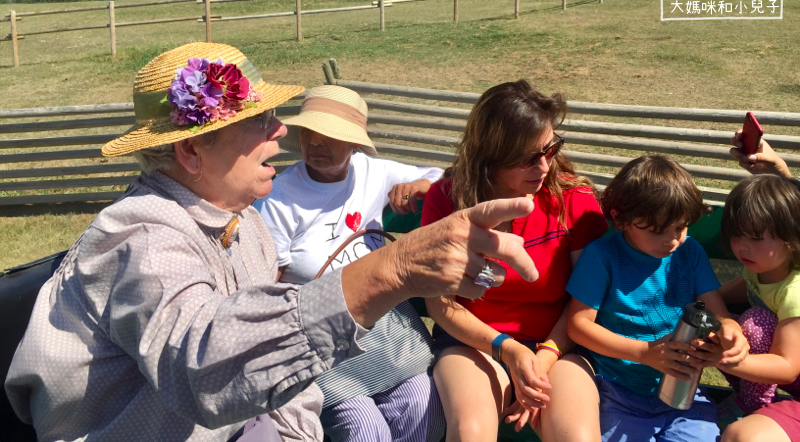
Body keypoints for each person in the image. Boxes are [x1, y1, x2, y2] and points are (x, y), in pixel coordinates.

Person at [4, 43, 540, 442]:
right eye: (259, 119)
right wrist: (391, 269)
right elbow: (207, 372)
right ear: (192, 152)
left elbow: (287, 384)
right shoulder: (141, 233)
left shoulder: (247, 227)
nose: (282, 131)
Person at [420, 80, 610, 441]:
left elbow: (584, 302)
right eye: (526, 157)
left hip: (558, 345)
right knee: (470, 431)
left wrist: (541, 362)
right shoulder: (448, 199)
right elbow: (440, 305)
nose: (543, 166)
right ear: (490, 154)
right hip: (473, 341)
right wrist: (508, 351)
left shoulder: (573, 199)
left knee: (577, 435)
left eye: (550, 148)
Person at [254, 84, 445, 442]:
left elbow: (438, 176)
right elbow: (266, 284)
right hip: (324, 336)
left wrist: (418, 184)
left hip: (389, 328)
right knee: (365, 432)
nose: (315, 144)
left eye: (329, 135)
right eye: (309, 132)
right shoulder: (280, 198)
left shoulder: (372, 172)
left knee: (426, 412)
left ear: (355, 143)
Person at [566, 155, 749, 442]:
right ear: (620, 218)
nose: (672, 239)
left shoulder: (690, 253)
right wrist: (643, 353)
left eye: (681, 226)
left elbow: (718, 313)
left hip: (684, 392)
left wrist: (731, 330)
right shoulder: (602, 257)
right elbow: (578, 325)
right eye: (657, 231)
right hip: (618, 391)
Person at [716, 175, 800, 442]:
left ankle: (751, 404)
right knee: (719, 325)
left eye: (754, 237)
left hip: (788, 370)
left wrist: (725, 360)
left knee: (756, 323)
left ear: (791, 237)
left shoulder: (794, 292)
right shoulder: (761, 268)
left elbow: (787, 367)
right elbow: (726, 293)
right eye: (736, 234)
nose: (742, 246)